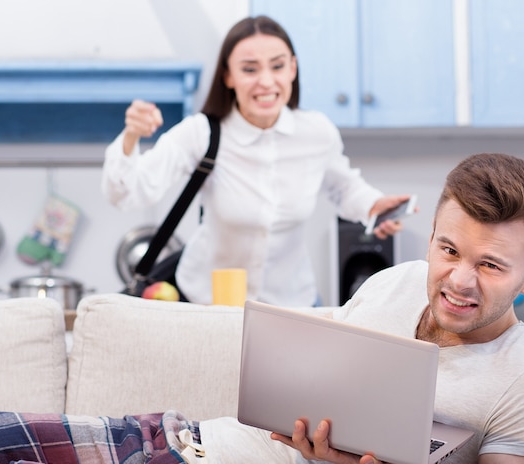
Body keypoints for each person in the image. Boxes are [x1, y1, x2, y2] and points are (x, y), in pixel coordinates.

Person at [0, 153, 524, 464]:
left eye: (490, 265)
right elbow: (326, 366)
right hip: (179, 440)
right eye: (448, 250)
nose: (458, 280)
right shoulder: (398, 283)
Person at [102, 15, 409, 306]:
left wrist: (374, 206)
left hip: (292, 305)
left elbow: (345, 188)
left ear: (292, 69)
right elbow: (128, 193)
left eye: (277, 66)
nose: (266, 81)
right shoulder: (201, 133)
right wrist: (131, 137)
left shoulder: (316, 132)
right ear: (228, 76)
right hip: (208, 304)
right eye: (249, 69)